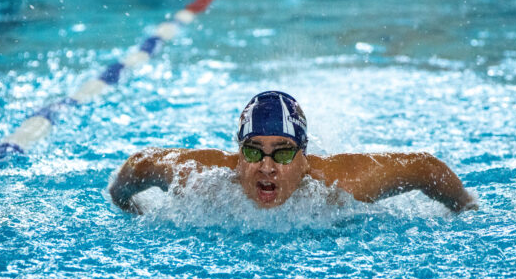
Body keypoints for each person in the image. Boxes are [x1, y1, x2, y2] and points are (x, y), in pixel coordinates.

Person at [109, 91, 478, 214]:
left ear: (304, 156)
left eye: (282, 154)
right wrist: (127, 207)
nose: (266, 168)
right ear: (238, 154)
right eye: (254, 152)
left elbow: (425, 168)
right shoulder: (203, 177)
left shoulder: (338, 183)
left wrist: (466, 209)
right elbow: (139, 165)